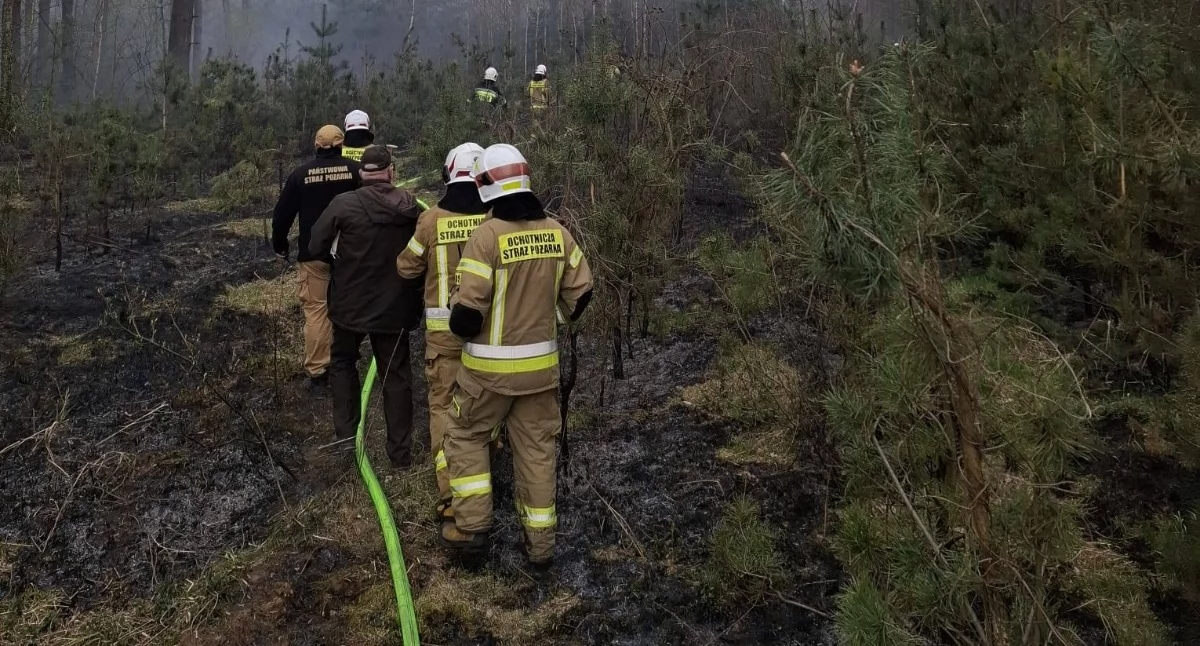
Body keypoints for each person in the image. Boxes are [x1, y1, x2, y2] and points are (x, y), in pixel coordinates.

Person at [440, 143, 594, 568]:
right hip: (542, 373)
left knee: (465, 434)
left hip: (487, 375)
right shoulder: (558, 232)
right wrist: (551, 319)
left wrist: (456, 313)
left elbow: (467, 316)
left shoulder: (487, 236)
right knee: (537, 452)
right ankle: (541, 549)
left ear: (486, 185)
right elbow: (582, 295)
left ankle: (472, 530)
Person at [308, 146, 423, 467]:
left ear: (361, 174)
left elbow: (315, 245)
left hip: (349, 308)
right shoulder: (410, 205)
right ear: (391, 172)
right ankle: (400, 457)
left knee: (343, 364)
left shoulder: (343, 205)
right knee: (396, 377)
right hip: (396, 309)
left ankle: (346, 444)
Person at [396, 143, 489, 521]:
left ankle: (451, 492)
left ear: (448, 174)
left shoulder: (431, 220)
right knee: (483, 405)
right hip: (487, 337)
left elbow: (406, 267)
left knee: (443, 408)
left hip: (443, 339)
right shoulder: (495, 217)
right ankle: (485, 470)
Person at [271, 125, 362, 398]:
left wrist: (280, 247)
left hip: (314, 257)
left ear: (316, 146)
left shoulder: (300, 175)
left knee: (316, 312)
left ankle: (319, 377)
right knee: (350, 307)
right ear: (341, 145)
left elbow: (281, 216)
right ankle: (348, 364)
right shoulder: (355, 171)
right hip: (351, 255)